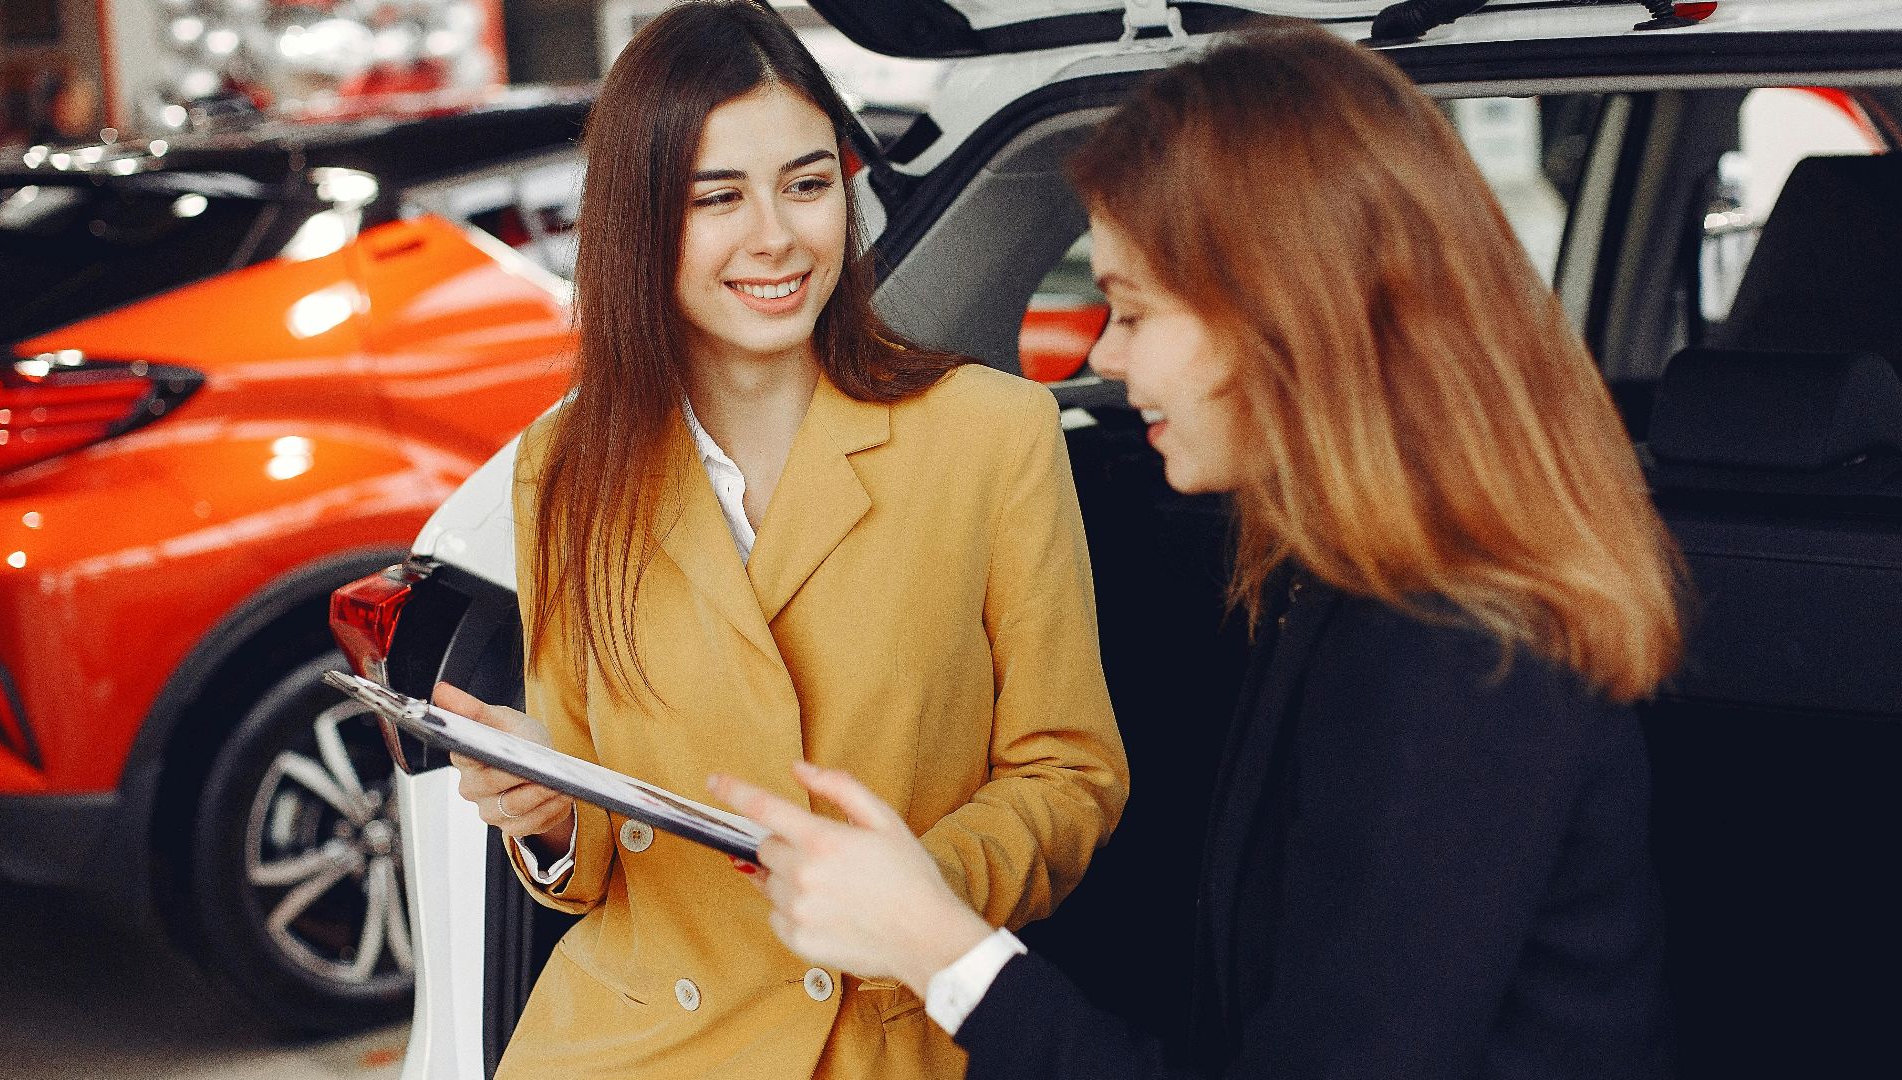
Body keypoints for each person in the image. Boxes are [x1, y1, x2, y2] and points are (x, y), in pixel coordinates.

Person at [711, 17, 1685, 1080]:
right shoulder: (1347, 578)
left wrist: (934, 946)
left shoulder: (1453, 653)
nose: (1102, 355)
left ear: (1280, 317)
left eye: (1130, 310)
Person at [430, 3, 1129, 1079]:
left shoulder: (992, 434)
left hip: (879, 1039)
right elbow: (588, 849)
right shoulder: (564, 468)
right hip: (623, 1044)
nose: (776, 237)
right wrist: (550, 817)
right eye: (718, 198)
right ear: (638, 220)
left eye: (806, 185)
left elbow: (1069, 773)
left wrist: (914, 894)